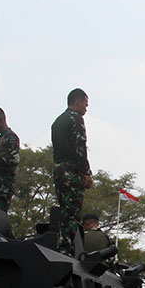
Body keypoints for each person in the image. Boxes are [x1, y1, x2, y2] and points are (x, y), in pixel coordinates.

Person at [51, 88, 93, 256]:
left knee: (64, 211)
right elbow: (79, 147)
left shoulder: (57, 121)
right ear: (77, 101)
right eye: (85, 104)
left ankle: (62, 245)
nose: (86, 109)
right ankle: (67, 250)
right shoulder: (75, 119)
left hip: (59, 168)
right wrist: (86, 172)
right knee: (72, 214)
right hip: (72, 170)